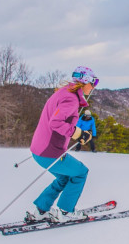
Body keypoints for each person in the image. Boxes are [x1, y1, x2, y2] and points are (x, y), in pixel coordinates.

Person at [26, 66, 98, 223]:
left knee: (65, 177)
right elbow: (56, 123)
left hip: (40, 150)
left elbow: (59, 121)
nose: (94, 87)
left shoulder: (64, 92)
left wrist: (76, 131)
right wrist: (78, 133)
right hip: (49, 151)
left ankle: (40, 210)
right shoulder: (70, 99)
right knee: (80, 172)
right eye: (94, 82)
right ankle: (65, 212)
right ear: (85, 81)